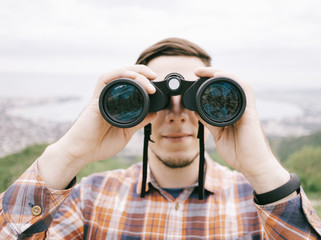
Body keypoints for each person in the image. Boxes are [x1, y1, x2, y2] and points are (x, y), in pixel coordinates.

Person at [0, 38, 321, 239]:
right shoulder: (89, 200)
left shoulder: (256, 204)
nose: (176, 112)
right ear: (141, 109)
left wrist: (263, 169)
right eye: (157, 98)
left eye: (200, 98)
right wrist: (69, 153)